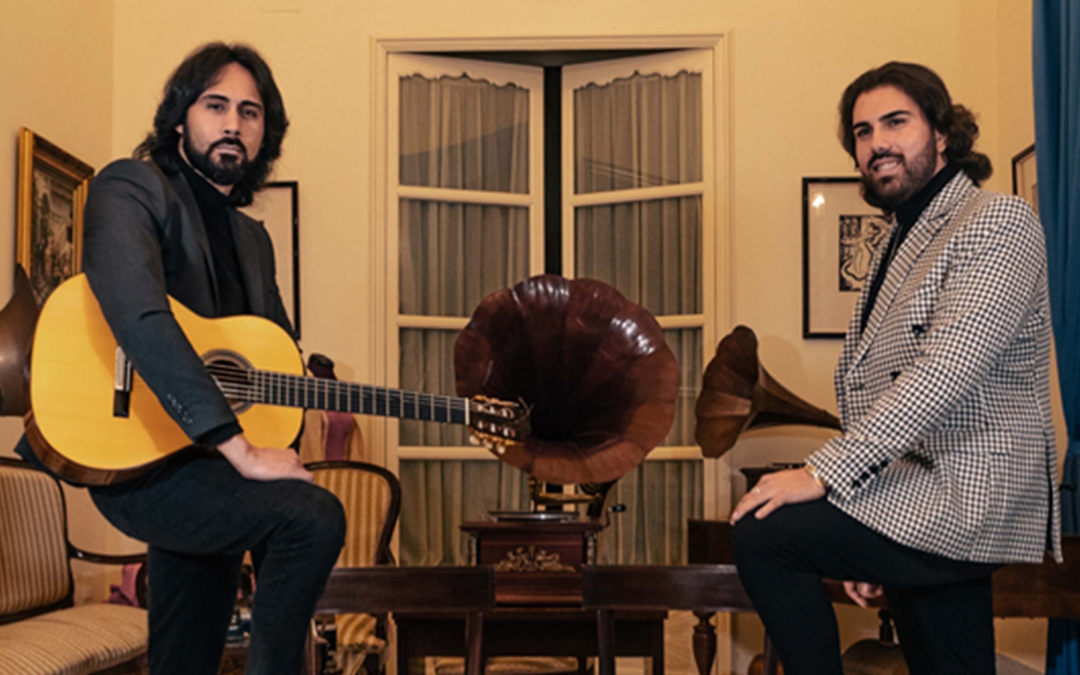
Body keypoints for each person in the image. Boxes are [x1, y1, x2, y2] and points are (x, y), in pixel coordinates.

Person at [17, 42, 345, 675]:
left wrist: (279, 432)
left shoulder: (254, 240)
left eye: (250, 112)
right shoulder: (129, 186)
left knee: (184, 654)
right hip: (130, 454)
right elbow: (138, 314)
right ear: (179, 120)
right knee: (311, 517)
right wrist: (241, 449)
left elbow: (277, 356)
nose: (233, 123)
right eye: (215, 105)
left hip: (207, 466)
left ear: (264, 134)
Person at [731, 62, 1060, 674]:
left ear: (942, 133)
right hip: (917, 492)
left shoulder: (998, 220)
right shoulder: (896, 238)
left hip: (968, 491)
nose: (876, 142)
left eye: (895, 122)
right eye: (862, 132)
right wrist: (872, 522)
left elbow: (945, 370)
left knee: (766, 534)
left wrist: (825, 475)